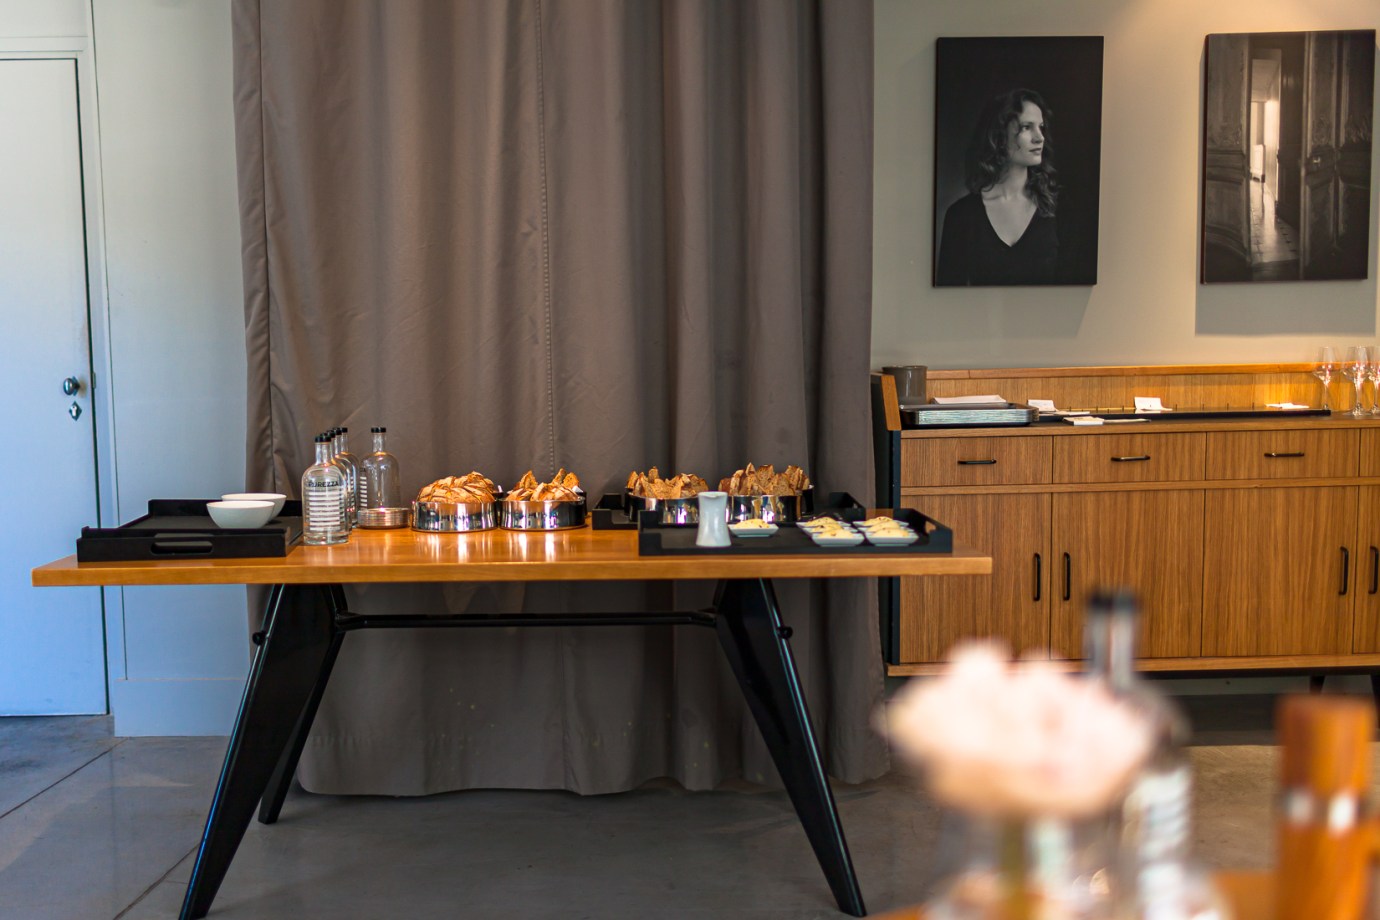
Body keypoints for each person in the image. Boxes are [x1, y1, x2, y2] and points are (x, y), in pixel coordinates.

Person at [936, 89, 1060, 286]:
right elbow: (946, 297)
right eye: (1026, 127)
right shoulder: (961, 216)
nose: (1040, 137)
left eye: (1041, 127)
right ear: (999, 136)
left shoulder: (1057, 210)